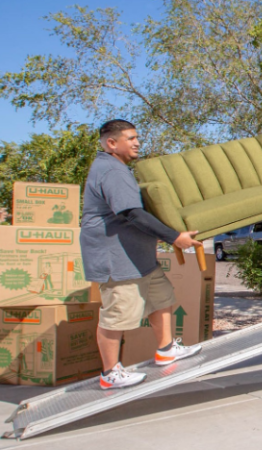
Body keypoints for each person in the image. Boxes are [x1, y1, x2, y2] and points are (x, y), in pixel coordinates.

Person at [82, 120, 203, 389]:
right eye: (131, 138)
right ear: (112, 143)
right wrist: (175, 237)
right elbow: (130, 213)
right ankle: (110, 373)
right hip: (117, 257)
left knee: (162, 297)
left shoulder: (115, 168)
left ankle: (166, 349)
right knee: (117, 315)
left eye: (137, 137)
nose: (137, 142)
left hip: (137, 256)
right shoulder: (112, 171)